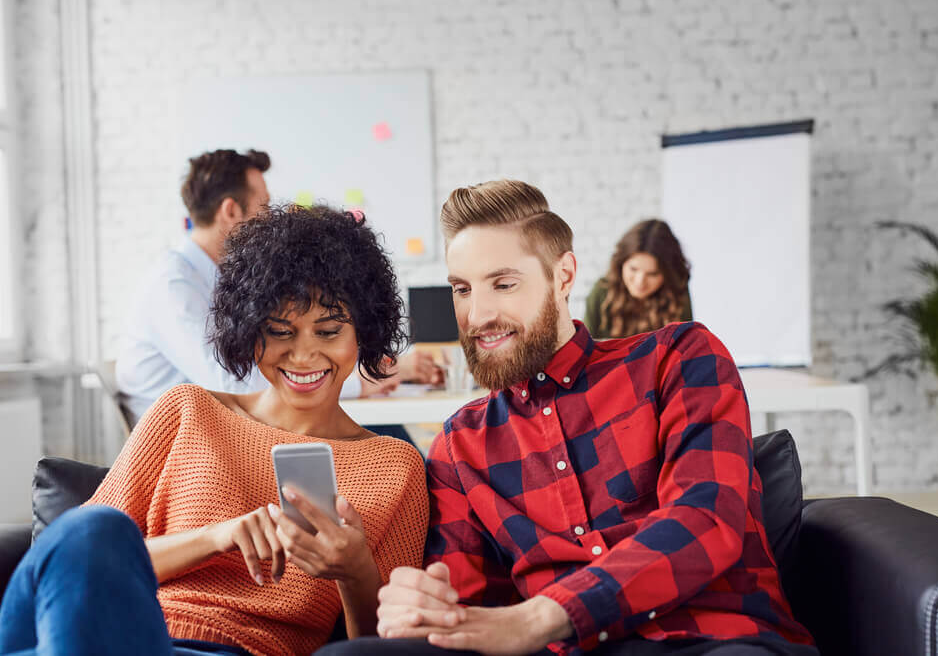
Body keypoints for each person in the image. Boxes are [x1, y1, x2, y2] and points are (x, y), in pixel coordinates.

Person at [325, 180, 817, 655]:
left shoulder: (678, 358)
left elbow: (705, 521)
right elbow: (468, 607)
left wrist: (540, 616)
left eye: (503, 283)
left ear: (563, 276)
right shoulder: (461, 445)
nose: (478, 315)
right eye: (463, 289)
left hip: (712, 639)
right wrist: (423, 606)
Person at [0, 205, 429, 655]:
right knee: (90, 531)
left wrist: (356, 568)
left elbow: (382, 648)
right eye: (280, 331)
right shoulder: (188, 410)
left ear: (365, 331)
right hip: (120, 632)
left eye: (328, 332)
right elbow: (74, 561)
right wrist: (214, 538)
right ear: (249, 330)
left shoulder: (395, 467)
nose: (302, 356)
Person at [116, 149, 440, 423]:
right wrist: (361, 381)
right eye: (264, 205)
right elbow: (235, 382)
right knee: (368, 437)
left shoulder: (212, 276)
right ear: (230, 211)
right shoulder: (173, 286)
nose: (270, 218)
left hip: (231, 424)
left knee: (373, 437)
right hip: (193, 445)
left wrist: (372, 369)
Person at [584, 219, 692, 339]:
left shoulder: (676, 294)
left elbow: (685, 350)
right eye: (633, 269)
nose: (640, 282)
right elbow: (585, 348)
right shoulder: (602, 291)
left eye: (652, 274)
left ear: (668, 274)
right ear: (621, 263)